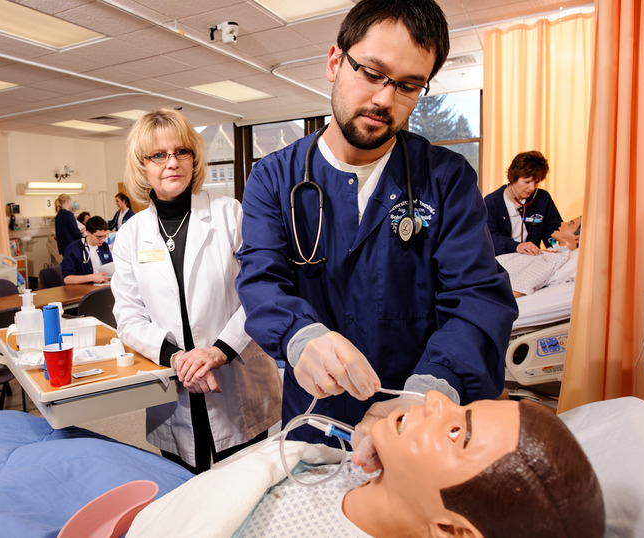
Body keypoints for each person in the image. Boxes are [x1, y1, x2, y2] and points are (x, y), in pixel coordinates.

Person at [235, 0, 517, 454]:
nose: (385, 99)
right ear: (334, 61)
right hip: (315, 419)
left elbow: (476, 297)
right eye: (371, 72)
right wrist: (300, 336)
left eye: (408, 86)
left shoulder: (445, 179)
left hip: (413, 421)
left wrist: (428, 391)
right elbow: (260, 280)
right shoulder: (273, 178)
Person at [129, 392, 605, 538]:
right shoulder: (366, 470)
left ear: (453, 531)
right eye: (464, 407)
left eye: (457, 431)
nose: (438, 397)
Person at [111, 108, 282, 474]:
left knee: (244, 488)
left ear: (194, 158)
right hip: (174, 381)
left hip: (234, 372)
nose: (171, 162)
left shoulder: (230, 214)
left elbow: (259, 292)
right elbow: (128, 316)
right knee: (184, 494)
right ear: (143, 166)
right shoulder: (130, 235)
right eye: (158, 154)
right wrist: (177, 358)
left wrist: (218, 352)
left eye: (181, 151)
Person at [485, 150, 563, 255]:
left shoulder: (543, 199)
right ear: (513, 178)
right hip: (503, 261)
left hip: (532, 260)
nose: (532, 188)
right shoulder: (491, 202)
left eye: (536, 182)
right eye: (527, 182)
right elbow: (489, 239)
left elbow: (554, 232)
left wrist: (557, 247)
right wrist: (517, 246)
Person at [498, 216, 581, 298]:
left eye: (570, 224)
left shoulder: (553, 260)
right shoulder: (550, 253)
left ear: (577, 239)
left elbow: (519, 288)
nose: (562, 223)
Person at [61, 216, 113, 284]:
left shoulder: (104, 246)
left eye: (105, 236)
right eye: (99, 237)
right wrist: (92, 277)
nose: (103, 240)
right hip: (83, 289)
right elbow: (67, 279)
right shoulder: (73, 249)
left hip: (104, 285)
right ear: (88, 232)